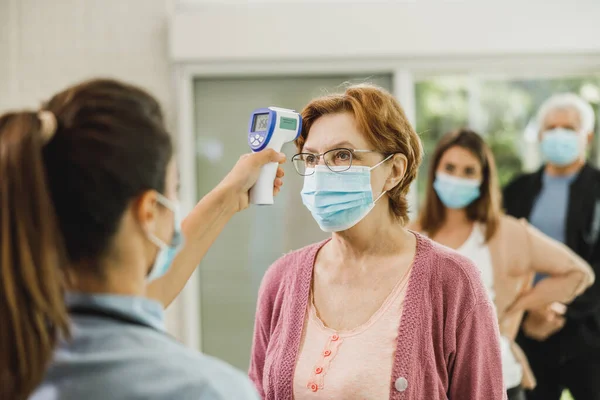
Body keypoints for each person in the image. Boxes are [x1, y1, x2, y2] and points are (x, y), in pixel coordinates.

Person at [0, 78, 286, 400]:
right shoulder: (206, 390)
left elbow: (128, 307)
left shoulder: (21, 354)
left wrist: (225, 201)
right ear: (149, 210)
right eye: (173, 191)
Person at [248, 84, 507, 400]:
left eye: (342, 155)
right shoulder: (281, 280)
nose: (321, 172)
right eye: (312, 158)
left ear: (394, 171)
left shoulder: (452, 281)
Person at [409, 129, 594, 400]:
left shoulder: (505, 233)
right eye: (449, 168)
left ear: (483, 180)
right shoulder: (411, 236)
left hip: (497, 376)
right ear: (435, 171)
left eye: (469, 171)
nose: (457, 178)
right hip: (429, 382)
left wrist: (518, 305)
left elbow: (579, 273)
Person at [504, 93, 600, 400]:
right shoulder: (518, 190)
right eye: (551, 127)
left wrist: (561, 309)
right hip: (526, 327)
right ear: (541, 135)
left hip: (588, 331)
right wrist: (532, 309)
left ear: (587, 136)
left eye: (568, 128)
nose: (559, 134)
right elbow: (502, 253)